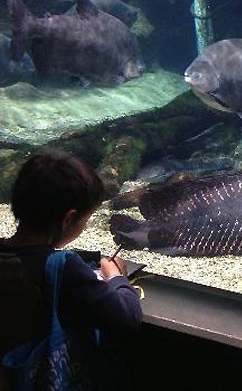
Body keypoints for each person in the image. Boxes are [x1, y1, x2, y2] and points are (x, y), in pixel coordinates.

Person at [0, 150, 143, 390]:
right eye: (85, 220)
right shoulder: (64, 267)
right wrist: (116, 277)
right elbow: (127, 317)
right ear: (69, 219)